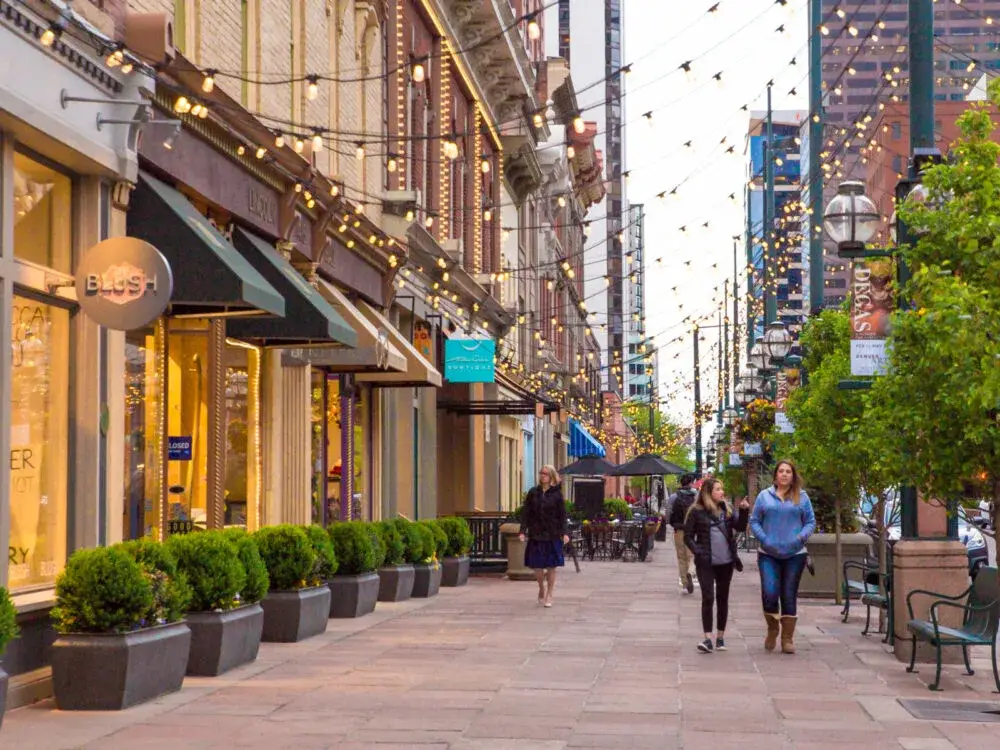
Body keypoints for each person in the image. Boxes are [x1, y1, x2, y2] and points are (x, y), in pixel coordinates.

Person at [750, 459, 816, 655]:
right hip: (768, 553)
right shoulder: (764, 497)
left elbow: (810, 522)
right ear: (775, 475)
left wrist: (801, 537)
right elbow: (754, 521)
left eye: (788, 471)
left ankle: (787, 638)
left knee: (788, 594)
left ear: (793, 475)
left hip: (795, 553)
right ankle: (772, 628)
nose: (785, 474)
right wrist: (764, 539)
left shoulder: (802, 497)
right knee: (770, 593)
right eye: (781, 471)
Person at [684, 478, 749, 653]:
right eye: (718, 489)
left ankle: (720, 637)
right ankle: (708, 639)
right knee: (708, 597)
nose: (722, 492)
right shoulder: (696, 512)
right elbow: (687, 536)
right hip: (706, 562)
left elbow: (741, 527)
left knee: (722, 598)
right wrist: (698, 551)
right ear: (708, 492)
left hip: (726, 562)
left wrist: (744, 511)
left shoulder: (727, 510)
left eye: (722, 489)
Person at [519, 465, 569, 607]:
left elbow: (562, 515)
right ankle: (541, 587)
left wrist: (565, 533)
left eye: (546, 474)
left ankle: (550, 594)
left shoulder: (557, 494)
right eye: (541, 473)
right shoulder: (533, 492)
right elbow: (526, 512)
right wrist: (522, 530)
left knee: (551, 566)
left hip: (553, 534)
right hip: (536, 534)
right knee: (537, 567)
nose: (543, 476)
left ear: (551, 476)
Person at [668, 474, 698, 594]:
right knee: (691, 555)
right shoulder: (696, 496)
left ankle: (685, 582)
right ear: (690, 483)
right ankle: (691, 572)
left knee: (681, 557)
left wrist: (674, 525)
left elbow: (669, 514)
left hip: (679, 530)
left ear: (681, 483)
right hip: (691, 531)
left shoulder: (674, 497)